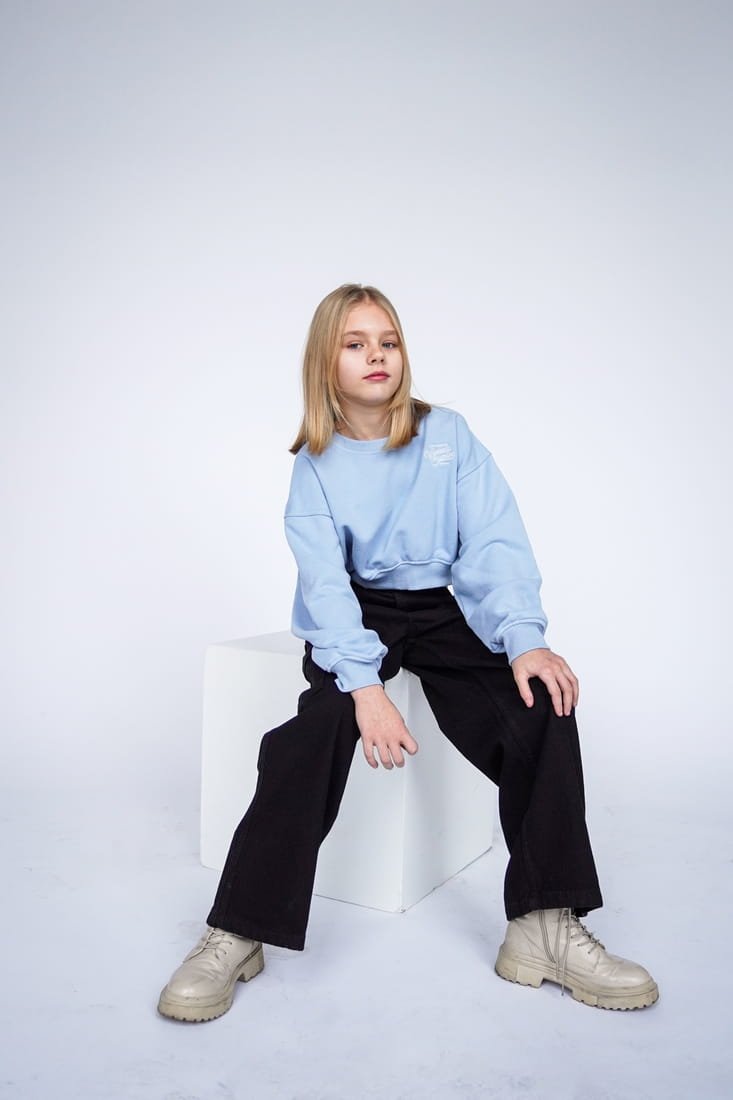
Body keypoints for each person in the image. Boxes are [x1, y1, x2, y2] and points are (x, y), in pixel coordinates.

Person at [157, 283, 658, 1022]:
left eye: (387, 341)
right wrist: (365, 689)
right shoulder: (315, 464)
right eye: (355, 343)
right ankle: (237, 930)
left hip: (438, 606)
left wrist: (524, 639)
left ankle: (543, 925)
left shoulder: (448, 435)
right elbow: (325, 586)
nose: (377, 355)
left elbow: (492, 539)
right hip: (354, 612)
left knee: (543, 705)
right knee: (312, 734)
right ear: (325, 363)